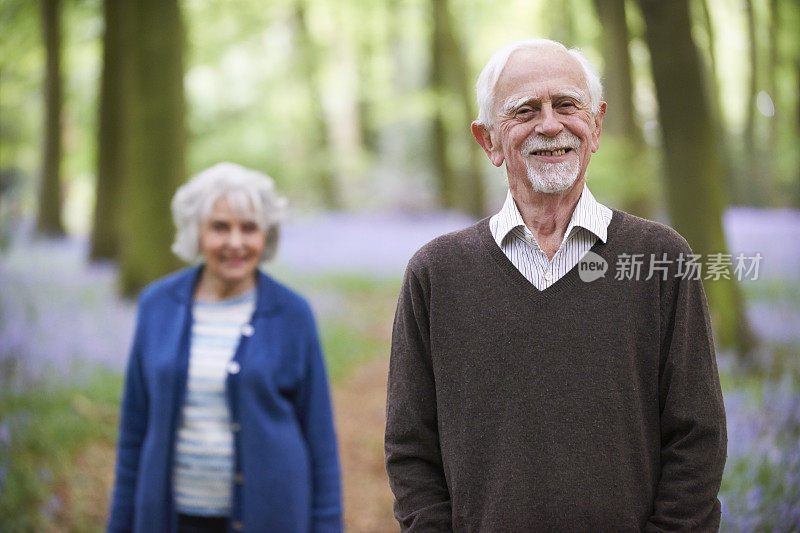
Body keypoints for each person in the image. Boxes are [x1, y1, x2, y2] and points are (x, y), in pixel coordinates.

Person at [385, 38, 727, 531]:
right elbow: (410, 447)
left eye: (566, 105)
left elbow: (698, 437)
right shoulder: (435, 274)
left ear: (596, 125)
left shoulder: (660, 259)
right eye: (525, 111)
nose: (550, 125)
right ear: (489, 141)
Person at [108, 163, 342, 533]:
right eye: (220, 227)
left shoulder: (292, 314)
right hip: (171, 518)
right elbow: (133, 434)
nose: (235, 242)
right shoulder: (157, 306)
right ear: (195, 232)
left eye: (249, 228)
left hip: (273, 519)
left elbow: (320, 442)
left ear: (266, 235)